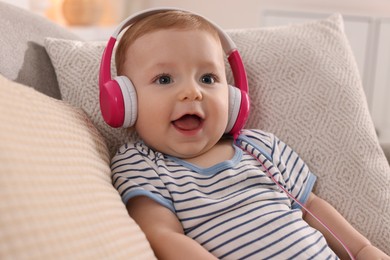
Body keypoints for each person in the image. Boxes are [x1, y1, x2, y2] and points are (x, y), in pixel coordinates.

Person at [107, 8, 389, 260]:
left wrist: (364, 250)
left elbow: (310, 206)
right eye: (164, 79)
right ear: (124, 102)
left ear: (233, 98)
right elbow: (162, 235)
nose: (192, 92)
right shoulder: (142, 164)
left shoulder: (261, 147)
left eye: (208, 79)